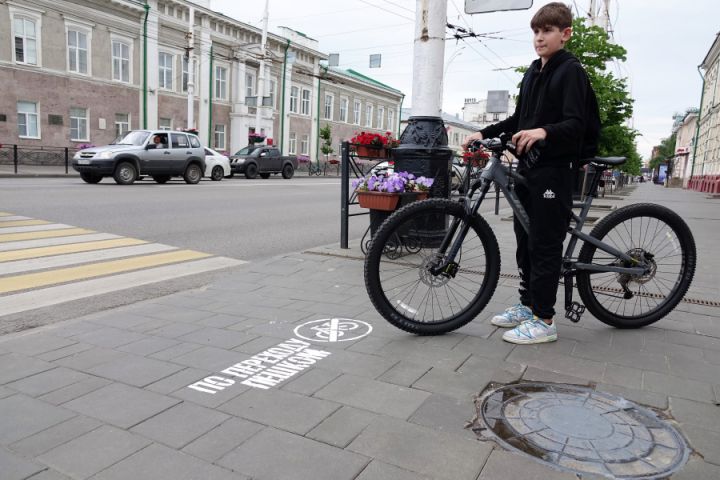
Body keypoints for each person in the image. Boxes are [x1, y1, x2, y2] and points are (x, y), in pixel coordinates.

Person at [463, 2, 599, 345]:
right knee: (525, 240)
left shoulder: (570, 71)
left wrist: (544, 132)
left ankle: (544, 319)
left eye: (547, 31)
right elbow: (518, 121)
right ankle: (528, 304)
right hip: (530, 167)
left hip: (556, 168)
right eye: (536, 31)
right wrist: (484, 133)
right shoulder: (533, 71)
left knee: (545, 241)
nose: (540, 38)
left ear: (565, 34)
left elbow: (576, 124)